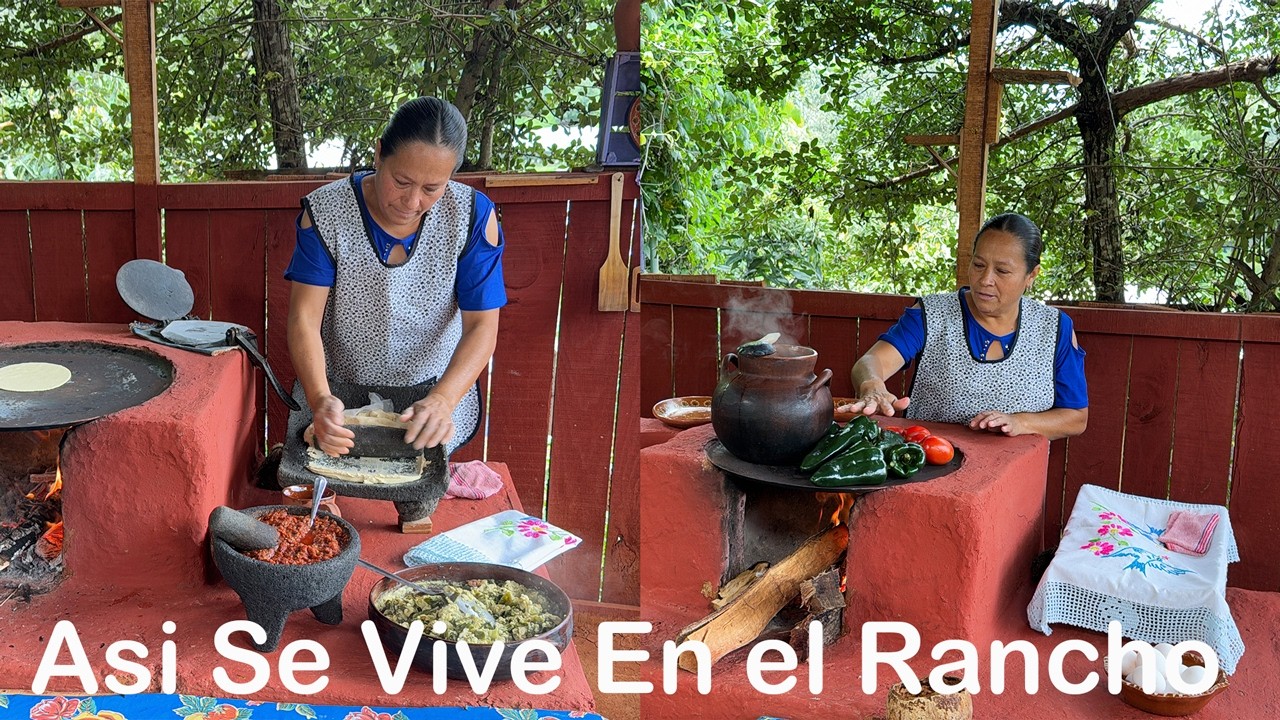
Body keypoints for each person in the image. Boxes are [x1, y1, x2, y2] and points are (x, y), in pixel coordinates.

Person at [285, 97, 505, 456]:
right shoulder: (327, 212)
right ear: (379, 154)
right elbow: (304, 319)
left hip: (431, 393)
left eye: (432, 188)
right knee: (331, 491)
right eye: (401, 181)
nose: (412, 201)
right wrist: (321, 398)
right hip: (340, 390)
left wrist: (444, 400)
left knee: (417, 499)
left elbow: (482, 326)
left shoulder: (472, 217)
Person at [843, 213, 1087, 440]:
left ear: (1031, 275)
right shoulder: (932, 314)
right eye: (979, 265)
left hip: (1018, 474)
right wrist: (871, 384)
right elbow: (870, 362)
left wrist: (1021, 423)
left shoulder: (1054, 328)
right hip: (930, 461)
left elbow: (1075, 418)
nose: (985, 280)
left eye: (1002, 271)